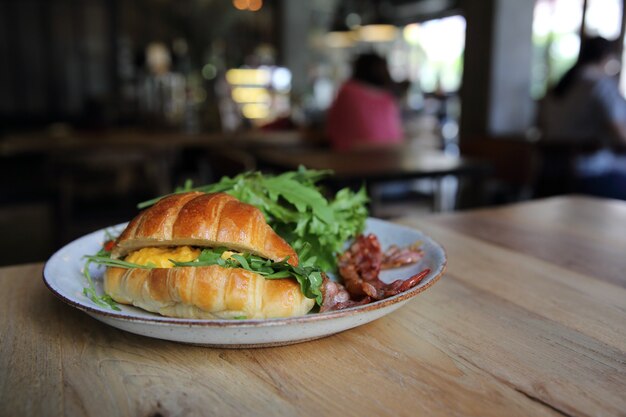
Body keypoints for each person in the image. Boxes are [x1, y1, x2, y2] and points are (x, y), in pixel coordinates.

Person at [539, 36, 626, 199]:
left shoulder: (559, 86)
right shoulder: (600, 86)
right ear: (607, 58)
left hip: (547, 173)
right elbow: (620, 135)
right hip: (585, 175)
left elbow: (541, 126)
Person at [326, 53, 404, 151]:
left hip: (352, 156)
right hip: (390, 154)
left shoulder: (347, 91)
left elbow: (332, 128)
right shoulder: (387, 96)